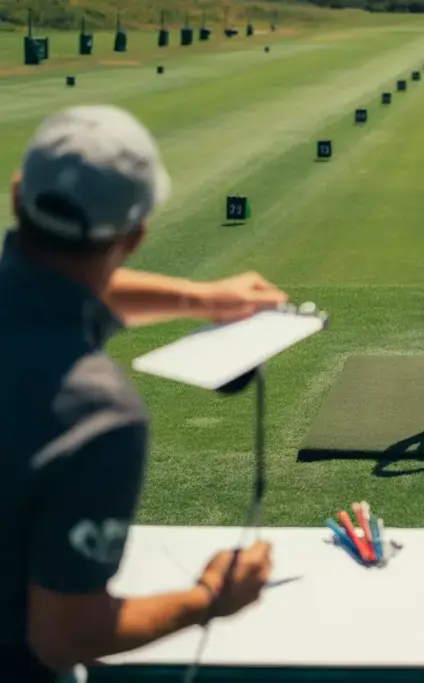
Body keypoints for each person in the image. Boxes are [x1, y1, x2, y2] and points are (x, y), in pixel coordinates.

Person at [0, 105, 287, 683]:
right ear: (135, 236)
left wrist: (203, 299)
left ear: (17, 197)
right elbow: (64, 636)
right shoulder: (98, 414)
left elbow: (64, 290)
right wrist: (211, 595)